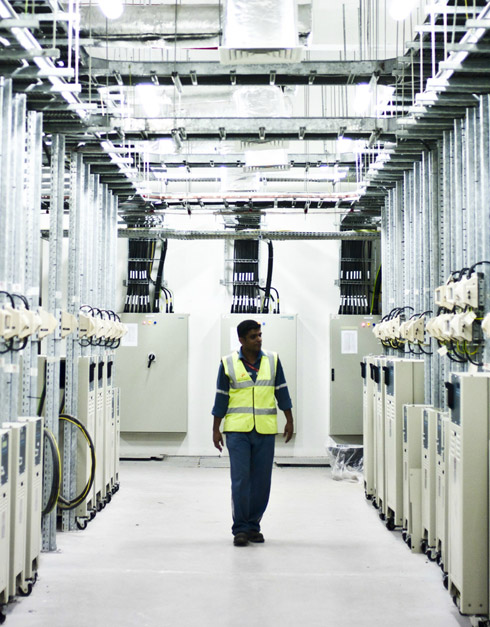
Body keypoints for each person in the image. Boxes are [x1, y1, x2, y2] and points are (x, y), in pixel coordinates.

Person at [212, 319, 294, 547]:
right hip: (237, 431)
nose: (258, 339)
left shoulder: (273, 360)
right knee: (240, 480)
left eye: (259, 335)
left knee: (261, 482)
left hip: (265, 430)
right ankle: (240, 529)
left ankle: (253, 526)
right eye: (253, 336)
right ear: (241, 340)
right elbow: (221, 397)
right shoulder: (228, 363)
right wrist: (215, 429)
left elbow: (282, 391)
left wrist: (289, 419)